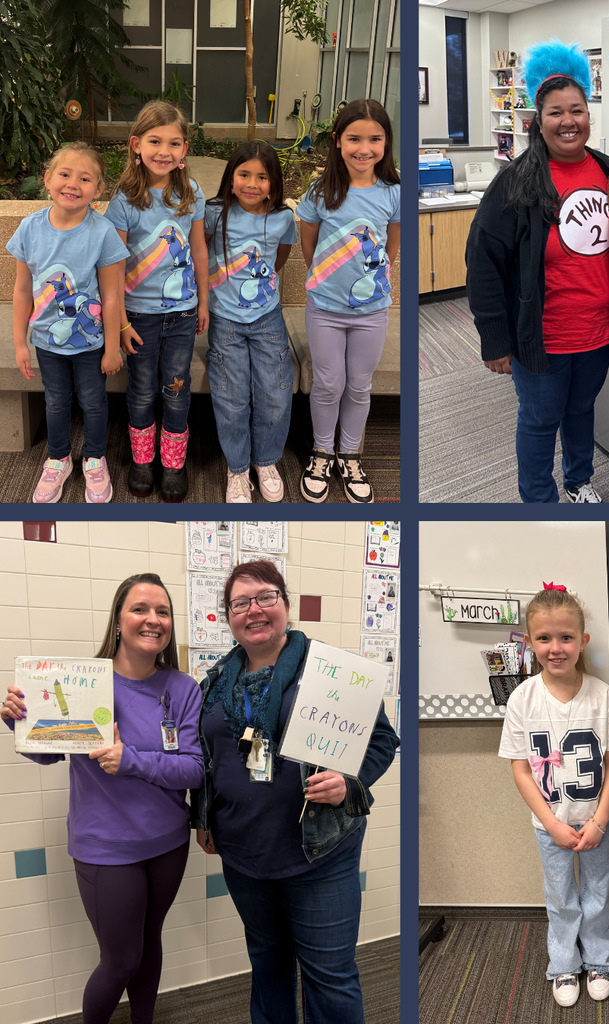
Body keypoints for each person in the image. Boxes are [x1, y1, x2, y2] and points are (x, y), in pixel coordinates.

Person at [192, 560, 399, 1024]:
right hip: (244, 852)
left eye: (266, 597)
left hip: (318, 852)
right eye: (240, 603)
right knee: (267, 963)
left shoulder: (330, 670)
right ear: (229, 617)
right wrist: (202, 818)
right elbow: (208, 758)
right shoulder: (215, 680)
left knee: (329, 976)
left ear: (285, 604)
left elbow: (382, 740)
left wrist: (349, 781)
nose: (254, 610)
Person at [2, 573, 204, 1024]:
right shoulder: (82, 682)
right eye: (140, 609)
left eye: (163, 612)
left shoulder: (183, 688)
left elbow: (194, 769)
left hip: (168, 844)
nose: (153, 619)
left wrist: (131, 760)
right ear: (117, 619)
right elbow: (47, 753)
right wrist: (20, 720)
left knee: (149, 942)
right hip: (106, 849)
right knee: (121, 960)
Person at [466, 41, 609, 504]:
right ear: (538, 121)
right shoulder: (515, 182)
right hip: (541, 337)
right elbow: (483, 264)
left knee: (582, 409)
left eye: (577, 110)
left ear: (589, 116)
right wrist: (495, 339)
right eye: (556, 112)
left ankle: (578, 481)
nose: (568, 121)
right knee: (539, 419)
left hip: (597, 332)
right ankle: (537, 500)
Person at [498, 584, 609, 1006]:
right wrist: (552, 823)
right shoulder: (522, 699)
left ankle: (600, 959)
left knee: (598, 891)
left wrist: (600, 820)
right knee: (560, 895)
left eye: (566, 637)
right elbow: (520, 769)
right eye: (545, 638)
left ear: (583, 641)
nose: (556, 648)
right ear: (530, 642)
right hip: (548, 824)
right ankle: (565, 963)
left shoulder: (602, 696)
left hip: (595, 821)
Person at [9, 142, 128, 503]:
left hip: (91, 345)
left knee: (93, 402)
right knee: (56, 402)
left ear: (99, 189)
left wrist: (112, 348)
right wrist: (19, 342)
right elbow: (22, 290)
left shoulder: (102, 232)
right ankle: (58, 459)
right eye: (65, 174)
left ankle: (94, 458)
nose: (73, 183)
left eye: (85, 178)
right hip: (47, 343)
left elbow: (111, 295)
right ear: (48, 179)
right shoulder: (29, 229)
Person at [297, 99, 401, 504]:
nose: (364, 148)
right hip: (325, 308)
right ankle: (322, 452)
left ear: (386, 143)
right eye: (354, 138)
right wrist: (327, 279)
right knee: (327, 383)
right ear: (338, 141)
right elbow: (309, 245)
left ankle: (350, 454)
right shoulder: (320, 192)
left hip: (371, 312)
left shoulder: (393, 192)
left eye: (375, 139)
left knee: (359, 385)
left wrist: (371, 281)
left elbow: (391, 247)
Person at [105, 100, 209, 502]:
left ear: (184, 150)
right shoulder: (124, 201)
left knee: (176, 388)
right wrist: (120, 323)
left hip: (182, 314)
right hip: (138, 317)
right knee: (143, 388)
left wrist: (203, 302)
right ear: (136, 144)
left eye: (174, 143)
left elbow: (198, 250)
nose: (164, 151)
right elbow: (113, 267)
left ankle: (173, 463)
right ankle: (142, 459)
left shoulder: (191, 194)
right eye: (155, 141)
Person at [204, 141, 297, 503]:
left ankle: (266, 461)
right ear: (231, 178)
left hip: (267, 318)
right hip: (225, 319)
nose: (252, 184)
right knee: (231, 397)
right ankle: (238, 468)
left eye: (262, 177)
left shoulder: (282, 218)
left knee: (275, 393)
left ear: (274, 184)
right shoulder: (214, 213)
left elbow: (280, 258)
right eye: (244, 174)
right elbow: (201, 251)